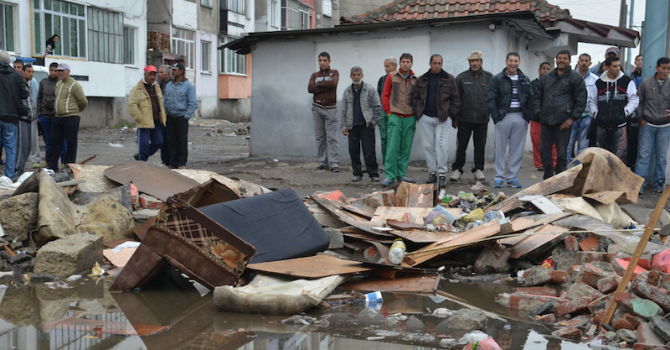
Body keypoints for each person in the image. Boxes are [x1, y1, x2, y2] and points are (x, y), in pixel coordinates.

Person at [534, 50, 587, 180]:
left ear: (569, 61)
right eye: (559, 58)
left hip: (563, 123)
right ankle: (547, 179)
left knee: (562, 154)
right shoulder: (547, 77)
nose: (561, 60)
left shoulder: (575, 78)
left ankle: (560, 180)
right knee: (544, 152)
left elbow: (581, 100)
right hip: (546, 121)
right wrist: (539, 113)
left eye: (564, 58)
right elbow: (537, 96)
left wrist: (572, 118)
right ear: (556, 60)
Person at [487, 52, 534, 188]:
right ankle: (499, 178)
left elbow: (531, 98)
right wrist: (496, 117)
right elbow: (491, 98)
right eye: (511, 61)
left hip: (520, 118)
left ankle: (512, 177)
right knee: (500, 149)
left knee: (517, 150)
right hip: (503, 118)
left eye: (516, 61)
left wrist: (528, 116)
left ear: (519, 62)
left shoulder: (525, 79)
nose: (513, 63)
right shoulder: (497, 79)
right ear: (506, 62)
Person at [413, 54, 460, 187]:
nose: (437, 65)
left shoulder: (449, 79)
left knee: (442, 147)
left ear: (442, 64)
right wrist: (419, 114)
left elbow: (455, 98)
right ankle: (432, 173)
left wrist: (451, 114)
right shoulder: (422, 79)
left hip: (443, 118)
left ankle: (443, 173)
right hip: (426, 117)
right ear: (430, 63)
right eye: (435, 63)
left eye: (439, 63)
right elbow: (415, 97)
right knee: (428, 147)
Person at [451, 50, 492, 182]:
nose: (474, 63)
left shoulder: (489, 78)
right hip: (464, 118)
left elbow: (493, 97)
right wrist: (455, 117)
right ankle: (457, 169)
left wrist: (489, 112)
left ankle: (478, 169)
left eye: (477, 61)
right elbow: (455, 98)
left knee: (480, 146)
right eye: (472, 61)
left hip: (482, 118)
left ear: (481, 62)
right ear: (469, 63)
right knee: (461, 145)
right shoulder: (462, 77)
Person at [588, 56, 639, 161]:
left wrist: (625, 112)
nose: (618, 68)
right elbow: (592, 101)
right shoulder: (598, 83)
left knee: (619, 157)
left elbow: (634, 99)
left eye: (618, 65)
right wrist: (596, 114)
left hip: (620, 126)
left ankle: (616, 177)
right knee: (601, 157)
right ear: (607, 67)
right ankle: (602, 177)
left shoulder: (626, 81)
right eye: (614, 66)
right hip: (601, 125)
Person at [381, 53, 418, 186]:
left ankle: (402, 174)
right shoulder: (391, 77)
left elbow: (418, 98)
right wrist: (389, 113)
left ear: (411, 64)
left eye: (408, 61)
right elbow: (385, 95)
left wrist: (415, 115)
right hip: (395, 116)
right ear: (400, 64)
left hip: (410, 117)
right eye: (403, 61)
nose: (405, 64)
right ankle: (389, 175)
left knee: (405, 148)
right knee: (392, 147)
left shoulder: (415, 79)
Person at [634, 57, 670, 193]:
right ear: (657, 68)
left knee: (661, 157)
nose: (666, 71)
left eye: (668, 68)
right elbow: (639, 101)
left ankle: (659, 183)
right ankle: (639, 185)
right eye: (663, 68)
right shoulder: (646, 82)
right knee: (643, 155)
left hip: (665, 126)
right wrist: (641, 118)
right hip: (647, 124)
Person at [341, 66, 381, 182]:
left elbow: (377, 106)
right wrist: (344, 126)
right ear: (350, 76)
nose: (356, 77)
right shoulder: (347, 91)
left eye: (358, 75)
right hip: (352, 125)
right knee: (354, 151)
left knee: (369, 151)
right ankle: (357, 173)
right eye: (354, 75)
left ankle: (373, 174)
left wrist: (374, 122)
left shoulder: (370, 89)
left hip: (366, 125)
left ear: (362, 76)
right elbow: (343, 110)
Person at [47, 63, 88, 172]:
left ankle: (69, 166)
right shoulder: (58, 83)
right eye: (58, 70)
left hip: (71, 117)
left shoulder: (74, 85)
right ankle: (52, 165)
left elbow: (83, 101)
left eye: (62, 70)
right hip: (58, 117)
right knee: (54, 142)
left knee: (71, 142)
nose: (60, 72)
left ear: (68, 72)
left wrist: (76, 111)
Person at [308, 52, 340, 172]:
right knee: (320, 137)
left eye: (324, 60)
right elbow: (310, 89)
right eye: (320, 60)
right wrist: (325, 86)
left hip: (331, 108)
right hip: (317, 108)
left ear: (329, 61)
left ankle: (334, 163)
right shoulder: (314, 75)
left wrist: (319, 85)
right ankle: (323, 162)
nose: (322, 62)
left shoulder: (334, 73)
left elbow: (333, 83)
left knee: (332, 138)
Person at [0, 51, 29, 179]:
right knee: (10, 149)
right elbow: (24, 94)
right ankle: (9, 177)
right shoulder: (17, 75)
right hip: (11, 117)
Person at [128, 65, 166, 162]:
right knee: (143, 145)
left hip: (156, 121)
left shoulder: (156, 87)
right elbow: (131, 106)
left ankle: (141, 156)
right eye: (150, 75)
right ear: (145, 75)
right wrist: (140, 118)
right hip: (144, 123)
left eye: (154, 75)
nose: (152, 77)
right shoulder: (138, 89)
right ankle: (142, 164)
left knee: (159, 142)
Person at [164, 62, 198, 169]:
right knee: (171, 140)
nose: (173, 72)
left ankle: (181, 163)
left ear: (181, 71)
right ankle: (172, 162)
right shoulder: (169, 85)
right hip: (170, 117)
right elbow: (165, 100)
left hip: (181, 117)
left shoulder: (188, 86)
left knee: (181, 140)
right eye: (172, 70)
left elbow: (193, 103)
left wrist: (186, 116)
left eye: (175, 70)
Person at [566, 53, 599, 165]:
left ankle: (577, 172)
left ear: (590, 63)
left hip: (587, 116)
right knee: (568, 144)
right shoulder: (571, 78)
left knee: (583, 146)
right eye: (582, 60)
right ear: (578, 62)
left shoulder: (595, 80)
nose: (584, 63)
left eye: (586, 61)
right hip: (571, 116)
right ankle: (564, 173)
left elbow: (596, 98)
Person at [38, 62, 67, 167]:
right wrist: (39, 114)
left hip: (58, 116)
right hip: (45, 116)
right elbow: (39, 98)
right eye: (52, 70)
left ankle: (64, 162)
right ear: (49, 70)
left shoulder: (62, 83)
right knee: (48, 140)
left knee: (62, 140)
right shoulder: (43, 83)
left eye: (56, 70)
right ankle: (48, 160)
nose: (54, 72)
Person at [530, 62, 556, 171]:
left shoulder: (554, 83)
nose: (546, 70)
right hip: (536, 119)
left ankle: (554, 163)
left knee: (553, 142)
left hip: (551, 118)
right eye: (543, 68)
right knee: (537, 142)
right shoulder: (532, 84)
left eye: (548, 68)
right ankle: (539, 164)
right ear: (539, 70)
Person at [14, 64, 39, 178]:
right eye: (29, 71)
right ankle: (17, 169)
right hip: (22, 119)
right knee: (22, 146)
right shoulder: (19, 84)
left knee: (28, 146)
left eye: (32, 72)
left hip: (30, 119)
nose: (31, 74)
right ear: (23, 72)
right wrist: (25, 112)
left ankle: (21, 168)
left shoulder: (29, 84)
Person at [377, 57, 397, 163]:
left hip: (396, 113)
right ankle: (386, 163)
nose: (385, 68)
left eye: (387, 66)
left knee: (395, 139)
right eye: (385, 66)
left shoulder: (400, 79)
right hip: (384, 114)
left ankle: (396, 163)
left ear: (395, 66)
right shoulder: (382, 80)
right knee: (384, 139)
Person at [627, 54, 644, 171]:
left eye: (642, 60)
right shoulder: (631, 77)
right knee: (632, 140)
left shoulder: (649, 76)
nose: (640, 62)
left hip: (645, 112)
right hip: (632, 113)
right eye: (638, 60)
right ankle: (632, 164)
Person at [157, 65, 172, 166]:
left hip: (171, 115)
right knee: (162, 140)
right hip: (161, 116)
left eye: (162, 72)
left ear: (168, 73)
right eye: (159, 72)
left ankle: (172, 160)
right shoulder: (158, 85)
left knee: (171, 139)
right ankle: (164, 160)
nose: (159, 74)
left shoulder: (172, 84)